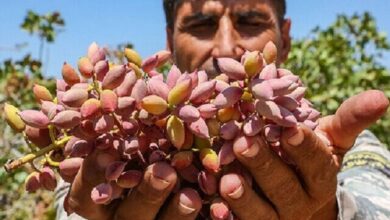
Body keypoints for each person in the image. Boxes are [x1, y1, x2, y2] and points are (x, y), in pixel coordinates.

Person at [55, 0, 390, 219]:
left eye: (250, 21)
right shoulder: (105, 145)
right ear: (170, 42)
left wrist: (327, 213)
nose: (226, 47)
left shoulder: (339, 144)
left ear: (284, 40)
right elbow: (69, 205)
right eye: (201, 25)